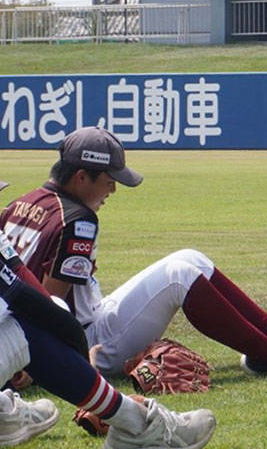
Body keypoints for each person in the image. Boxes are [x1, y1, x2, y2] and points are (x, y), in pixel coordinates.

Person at [0, 126, 267, 378]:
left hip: (52, 328)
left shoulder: (20, 203)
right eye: (109, 179)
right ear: (81, 177)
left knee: (191, 258)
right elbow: (50, 307)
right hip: (79, 342)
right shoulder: (77, 220)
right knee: (180, 276)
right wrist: (49, 362)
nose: (113, 188)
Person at [0, 180, 216, 448]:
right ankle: (136, 425)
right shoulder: (77, 219)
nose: (113, 188)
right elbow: (28, 299)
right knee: (30, 324)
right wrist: (81, 357)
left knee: (36, 314)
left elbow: (23, 287)